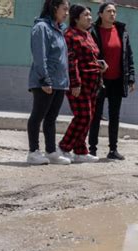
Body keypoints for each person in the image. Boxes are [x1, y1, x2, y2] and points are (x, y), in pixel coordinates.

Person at [58, 5, 107, 164]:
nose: (89, 18)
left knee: (89, 117)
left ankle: (80, 151)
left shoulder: (88, 35)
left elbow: (90, 57)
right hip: (80, 84)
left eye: (90, 15)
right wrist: (75, 83)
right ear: (76, 18)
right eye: (85, 15)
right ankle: (64, 147)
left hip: (93, 84)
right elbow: (71, 61)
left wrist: (100, 64)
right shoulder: (70, 35)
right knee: (83, 117)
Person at [26, 0, 71, 165]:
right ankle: (33, 152)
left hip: (59, 82)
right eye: (64, 9)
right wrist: (45, 78)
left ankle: (51, 152)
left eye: (68, 10)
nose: (67, 13)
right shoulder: (42, 28)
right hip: (45, 81)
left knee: (51, 118)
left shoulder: (59, 30)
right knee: (37, 116)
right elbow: (40, 54)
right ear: (54, 8)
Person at [88, 2, 135, 160]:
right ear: (100, 14)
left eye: (114, 11)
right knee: (95, 115)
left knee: (114, 116)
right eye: (109, 11)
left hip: (117, 80)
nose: (113, 14)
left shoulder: (121, 30)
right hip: (99, 80)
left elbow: (129, 55)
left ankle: (113, 150)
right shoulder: (93, 31)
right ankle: (92, 149)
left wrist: (131, 77)